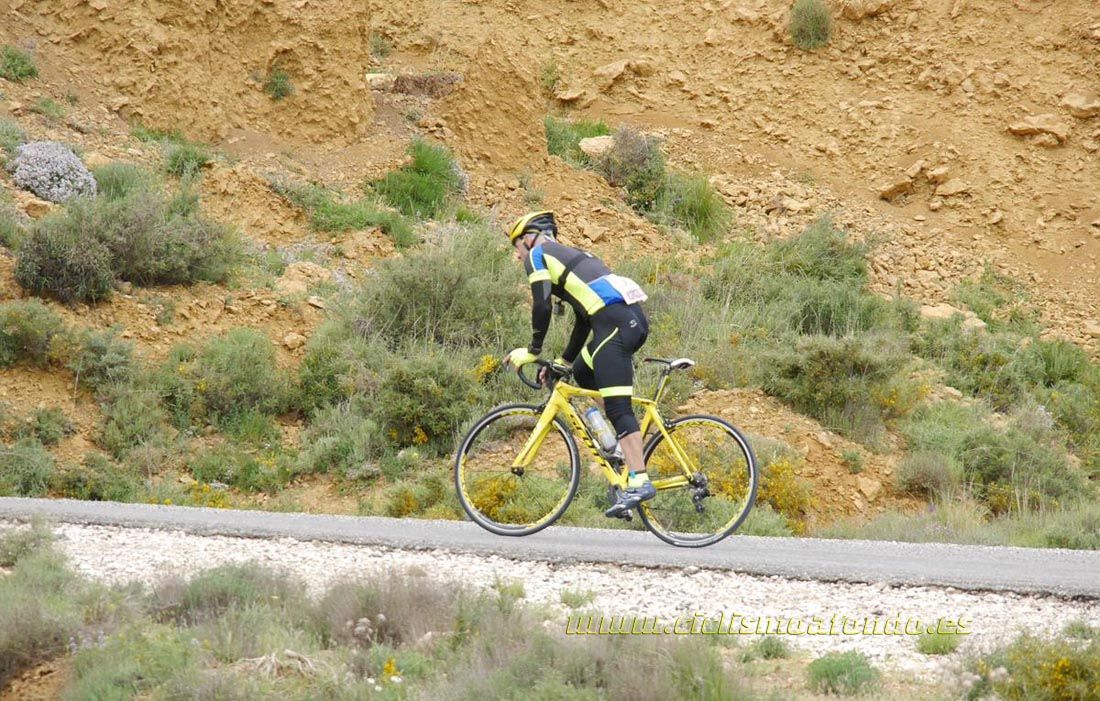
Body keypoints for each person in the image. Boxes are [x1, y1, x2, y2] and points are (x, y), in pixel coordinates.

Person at [501, 211, 654, 517]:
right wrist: (563, 362)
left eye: (516, 247)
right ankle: (615, 451)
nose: (518, 256)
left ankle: (639, 480)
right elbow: (584, 321)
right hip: (618, 322)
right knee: (582, 374)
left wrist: (532, 350)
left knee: (619, 408)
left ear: (529, 238)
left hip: (616, 326)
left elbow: (542, 304)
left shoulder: (539, 255)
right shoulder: (572, 258)